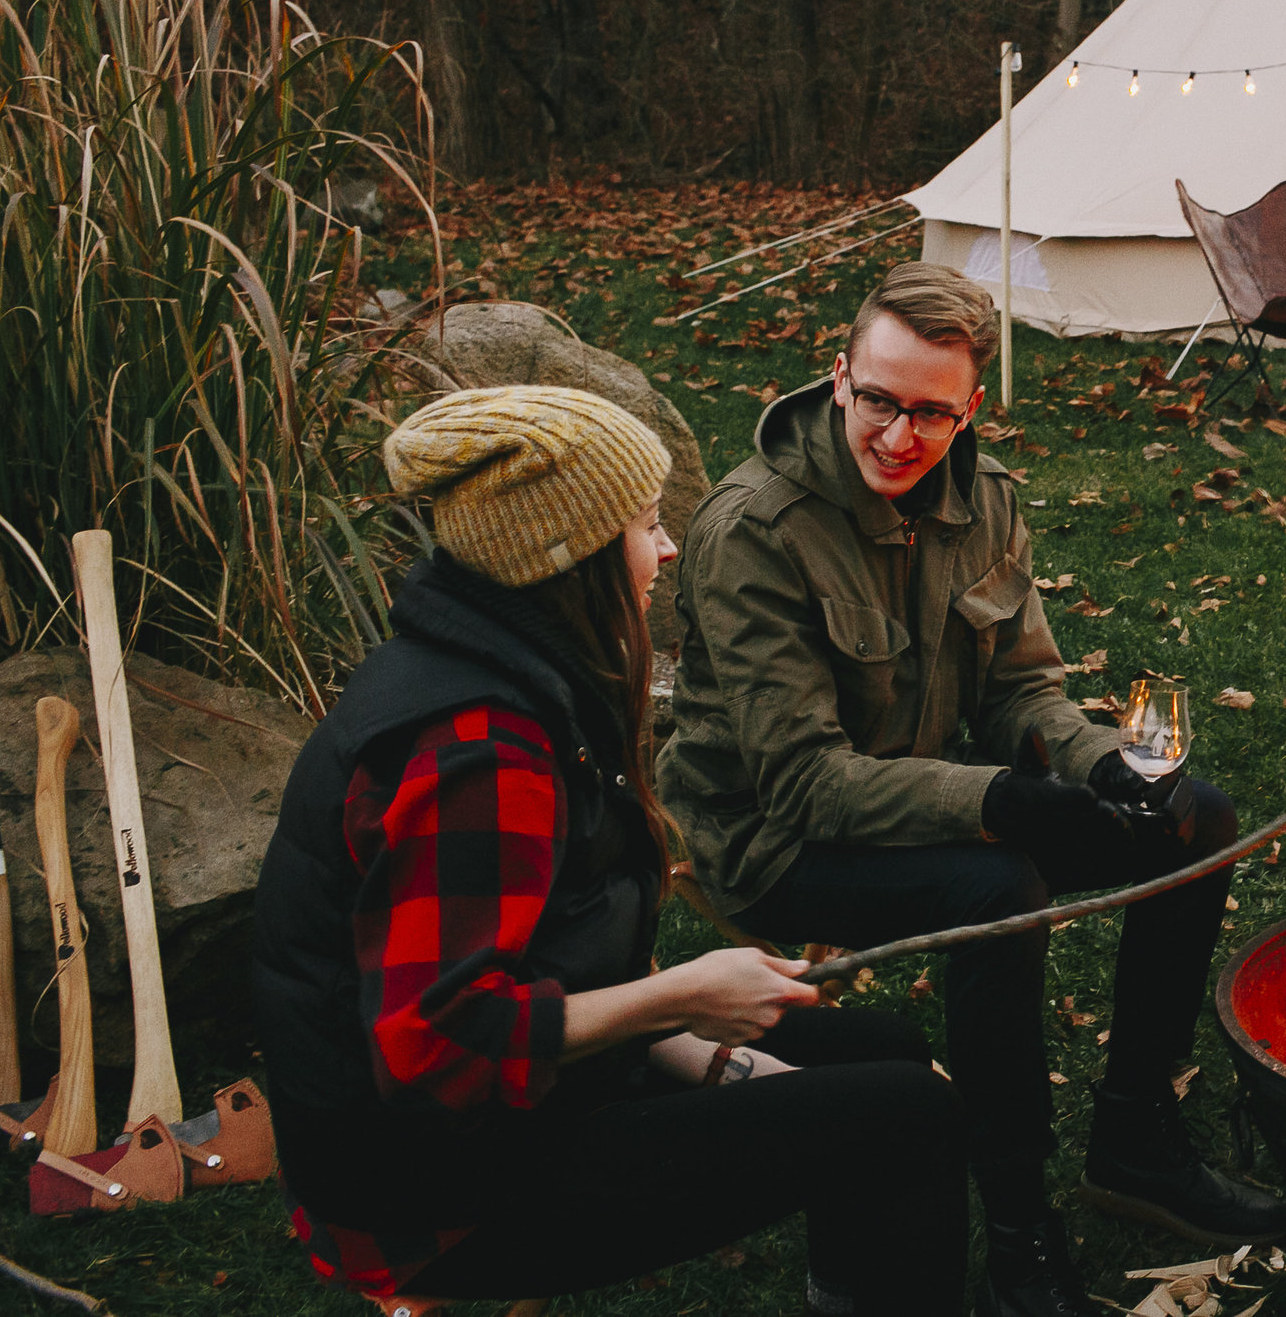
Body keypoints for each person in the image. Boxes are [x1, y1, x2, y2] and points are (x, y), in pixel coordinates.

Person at [659, 262, 1286, 1317]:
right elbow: (803, 782)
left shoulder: (982, 497)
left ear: (971, 406)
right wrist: (999, 800)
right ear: (839, 373)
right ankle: (1015, 1222)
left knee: (1198, 819)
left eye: (932, 412)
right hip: (772, 840)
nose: (901, 436)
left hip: (922, 791)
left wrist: (1093, 761)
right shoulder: (756, 530)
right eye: (879, 401)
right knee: (992, 887)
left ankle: (1133, 1136)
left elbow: (1021, 689)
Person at [253, 387, 967, 1316]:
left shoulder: (508, 662)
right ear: (570, 557)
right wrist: (680, 999)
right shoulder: (478, 750)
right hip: (428, 1192)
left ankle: (852, 1288)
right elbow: (438, 1045)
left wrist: (691, 1049)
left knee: (886, 1050)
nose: (667, 547)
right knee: (908, 1116)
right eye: (644, 524)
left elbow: (553, 942)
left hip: (514, 1099)